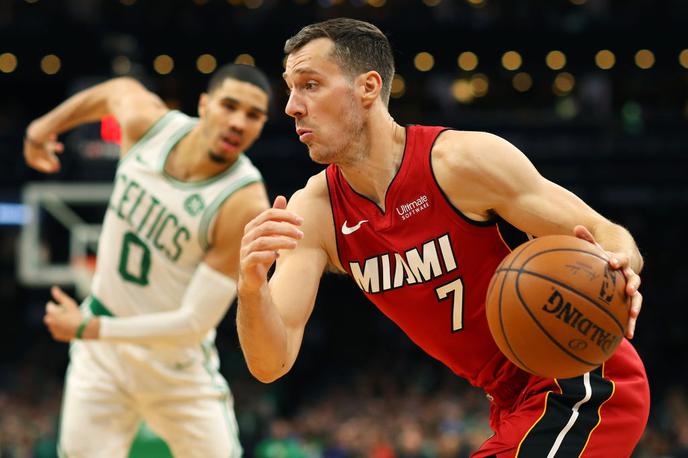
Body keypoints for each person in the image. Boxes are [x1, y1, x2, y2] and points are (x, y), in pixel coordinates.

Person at [237, 18, 650, 458]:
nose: (292, 106)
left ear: (369, 87)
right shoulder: (314, 212)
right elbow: (270, 362)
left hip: (581, 379)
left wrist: (619, 264)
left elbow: (607, 232)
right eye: (290, 89)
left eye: (310, 85)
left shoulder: (462, 162)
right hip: (513, 403)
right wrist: (250, 284)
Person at [24, 63, 272, 458]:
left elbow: (192, 324)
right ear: (205, 105)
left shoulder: (243, 202)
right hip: (102, 361)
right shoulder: (150, 127)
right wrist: (42, 128)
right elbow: (116, 88)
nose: (239, 122)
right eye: (230, 106)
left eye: (254, 115)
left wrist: (92, 327)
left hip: (174, 366)